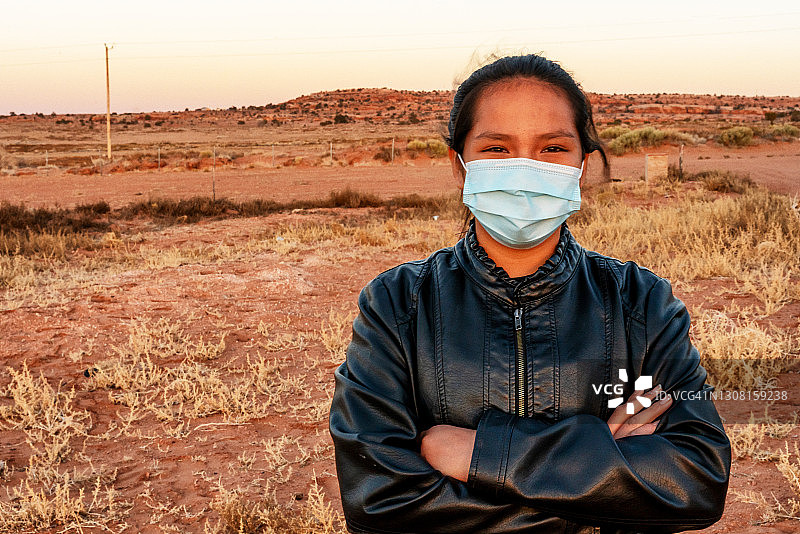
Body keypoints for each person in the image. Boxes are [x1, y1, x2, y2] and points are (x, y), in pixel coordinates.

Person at [329, 54, 731, 534]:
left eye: (553, 148)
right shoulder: (398, 304)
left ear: (582, 164)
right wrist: (598, 465)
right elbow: (380, 503)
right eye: (497, 148)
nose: (525, 169)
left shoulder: (641, 302)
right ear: (460, 167)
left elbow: (696, 482)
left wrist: (481, 454)